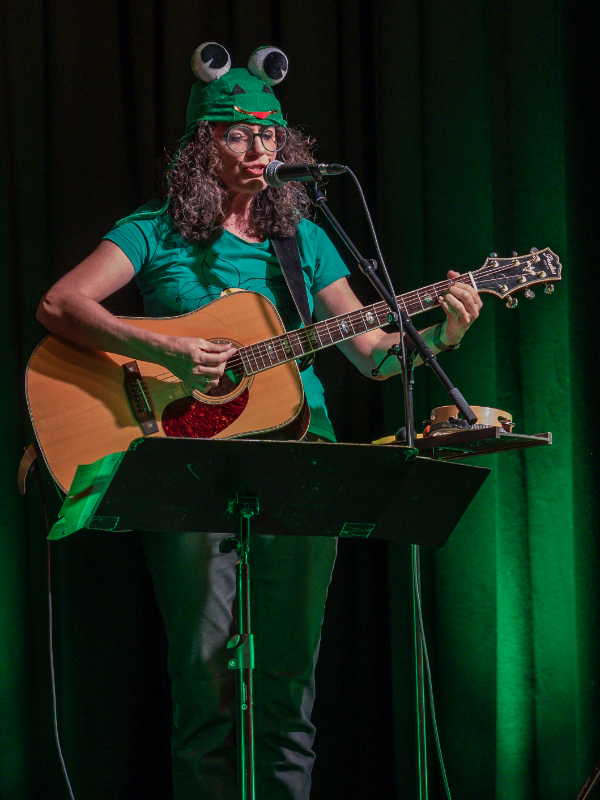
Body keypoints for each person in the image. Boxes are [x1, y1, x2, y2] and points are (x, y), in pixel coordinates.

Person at [37, 42, 482, 800]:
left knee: (286, 685)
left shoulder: (304, 237)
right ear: (199, 144)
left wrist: (440, 331)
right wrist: (166, 349)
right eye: (237, 132)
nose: (257, 147)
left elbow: (373, 355)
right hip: (186, 463)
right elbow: (61, 305)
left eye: (269, 133)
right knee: (205, 681)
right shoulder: (152, 230)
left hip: (303, 465)